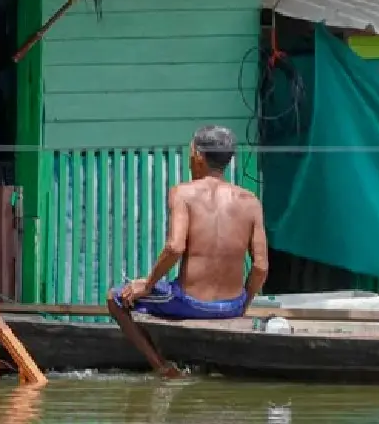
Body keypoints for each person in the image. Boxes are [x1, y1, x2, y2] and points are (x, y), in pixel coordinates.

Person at [112, 124, 270, 322]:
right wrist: (242, 305)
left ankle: (156, 355)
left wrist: (148, 284)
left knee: (116, 297)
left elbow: (175, 247)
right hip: (232, 306)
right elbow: (261, 267)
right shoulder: (251, 201)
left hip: (190, 302)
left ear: (197, 155)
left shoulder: (183, 193)